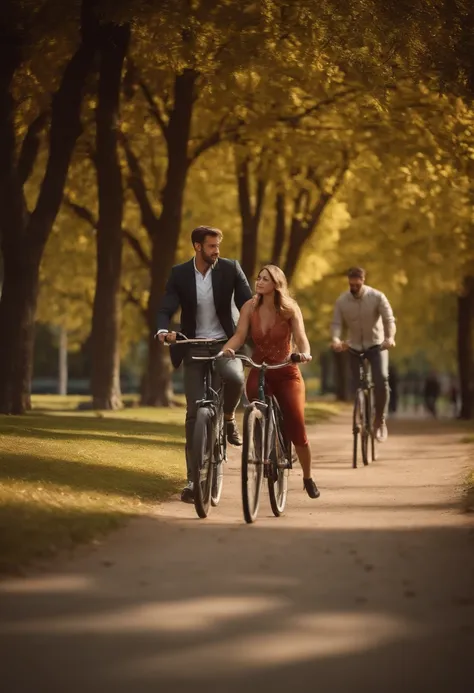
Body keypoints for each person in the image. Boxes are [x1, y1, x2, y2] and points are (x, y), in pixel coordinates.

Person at [156, 226, 252, 503]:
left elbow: (248, 303)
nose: (216, 251)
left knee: (234, 380)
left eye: (218, 245)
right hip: (193, 344)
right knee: (193, 414)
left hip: (226, 344)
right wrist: (164, 330)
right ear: (197, 247)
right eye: (211, 246)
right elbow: (166, 307)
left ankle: (230, 418)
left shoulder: (231, 269)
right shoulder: (180, 273)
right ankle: (191, 480)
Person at [222, 264, 320, 499]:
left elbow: (301, 337)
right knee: (255, 408)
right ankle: (264, 453)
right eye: (258, 278)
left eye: (265, 279)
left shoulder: (289, 309)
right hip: (260, 369)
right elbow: (239, 335)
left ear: (276, 284)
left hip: (286, 371)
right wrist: (227, 349)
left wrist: (304, 353)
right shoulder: (249, 307)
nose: (259, 282)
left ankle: (307, 477)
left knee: (296, 424)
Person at [331, 267, 396, 442]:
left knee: (381, 379)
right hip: (354, 347)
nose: (353, 288)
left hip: (376, 346)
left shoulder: (377, 297)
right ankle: (362, 412)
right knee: (357, 384)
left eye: (356, 284)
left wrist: (390, 338)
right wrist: (336, 339)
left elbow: (389, 319)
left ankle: (379, 419)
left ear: (363, 280)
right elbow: (336, 323)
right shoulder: (342, 301)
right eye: (350, 284)